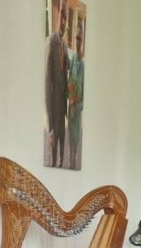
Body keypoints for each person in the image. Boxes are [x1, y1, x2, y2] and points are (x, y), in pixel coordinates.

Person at [45, 1, 69, 167]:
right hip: (53, 106)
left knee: (62, 146)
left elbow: (65, 71)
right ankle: (54, 161)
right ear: (56, 15)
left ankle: (60, 161)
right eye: (61, 15)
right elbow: (47, 81)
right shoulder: (51, 42)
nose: (63, 21)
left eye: (65, 17)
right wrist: (49, 124)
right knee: (52, 154)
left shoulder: (65, 46)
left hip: (62, 107)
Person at [66, 19, 85, 169]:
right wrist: (69, 98)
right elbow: (69, 83)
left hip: (77, 112)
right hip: (70, 109)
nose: (77, 41)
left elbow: (85, 99)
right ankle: (71, 161)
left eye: (80, 38)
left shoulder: (83, 65)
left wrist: (76, 107)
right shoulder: (72, 60)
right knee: (70, 147)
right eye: (76, 38)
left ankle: (74, 162)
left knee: (75, 142)